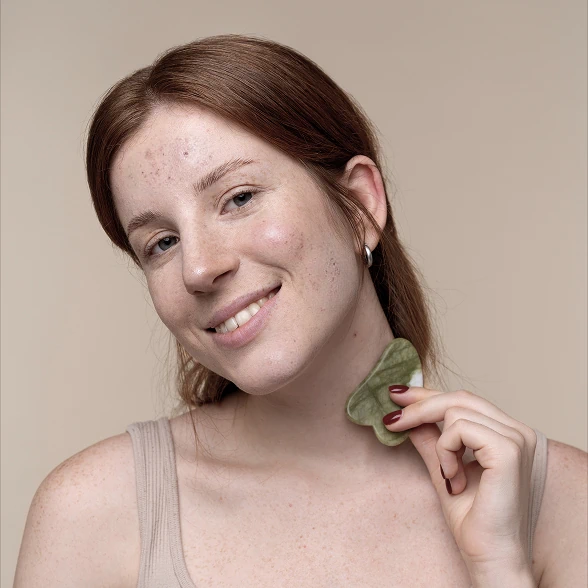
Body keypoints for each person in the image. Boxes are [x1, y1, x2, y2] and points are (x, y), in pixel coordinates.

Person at [14, 34, 586, 588]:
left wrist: (501, 571)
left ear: (359, 204)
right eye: (161, 243)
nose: (198, 268)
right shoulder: (92, 514)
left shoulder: (565, 506)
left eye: (238, 198)